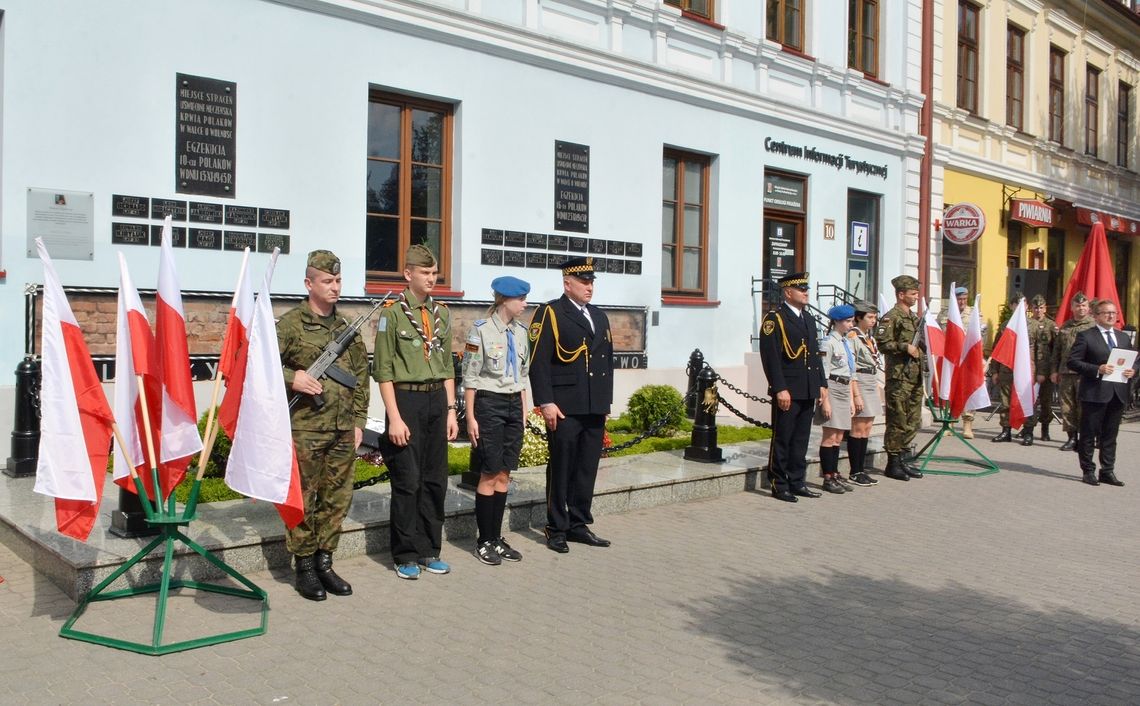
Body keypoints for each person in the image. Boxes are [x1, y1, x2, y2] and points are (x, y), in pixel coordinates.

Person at [277, 250, 371, 601]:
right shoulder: (291, 324)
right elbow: (256, 363)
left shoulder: (346, 328)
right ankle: (304, 566)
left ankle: (325, 561)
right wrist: (293, 377)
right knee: (305, 499)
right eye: (327, 281)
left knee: (337, 498)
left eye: (338, 281)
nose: (335, 287)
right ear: (309, 283)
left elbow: (361, 375)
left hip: (344, 428)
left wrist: (359, 420)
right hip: (306, 426)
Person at [373, 245, 459, 580]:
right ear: (408, 274)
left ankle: (429, 549)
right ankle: (405, 553)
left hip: (436, 400)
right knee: (407, 481)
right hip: (406, 400)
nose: (431, 278)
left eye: (434, 272)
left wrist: (451, 411)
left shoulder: (442, 313)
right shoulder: (392, 314)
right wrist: (393, 417)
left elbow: (448, 365)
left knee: (435, 479)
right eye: (425, 273)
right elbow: (383, 370)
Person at [528, 256, 614, 553]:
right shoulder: (551, 313)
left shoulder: (599, 316)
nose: (589, 287)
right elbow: (538, 362)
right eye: (584, 282)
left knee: (586, 468)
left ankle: (579, 523)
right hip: (565, 405)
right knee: (562, 466)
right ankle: (556, 526)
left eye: (592, 282)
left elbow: (607, 362)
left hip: (593, 405)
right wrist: (545, 402)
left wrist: (605, 401)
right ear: (568, 283)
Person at [463, 276, 531, 566]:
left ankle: (496, 537)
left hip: (514, 403)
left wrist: (525, 410)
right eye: (521, 299)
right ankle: (484, 540)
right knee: (489, 473)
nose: (525, 304)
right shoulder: (480, 331)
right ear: (505, 300)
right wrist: (471, 416)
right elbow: (470, 376)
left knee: (504, 472)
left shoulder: (521, 332)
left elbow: (523, 374)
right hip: (489, 404)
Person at [758, 272, 827, 502]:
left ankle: (797, 481)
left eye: (806, 289)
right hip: (788, 388)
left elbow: (814, 353)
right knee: (783, 438)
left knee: (801, 439)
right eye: (801, 289)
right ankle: (779, 483)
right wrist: (779, 388)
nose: (806, 293)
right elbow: (771, 358)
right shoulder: (774, 319)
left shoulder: (808, 318)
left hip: (807, 387)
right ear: (788, 292)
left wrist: (821, 383)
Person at [1067, 299, 1138, 486]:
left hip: (1118, 392)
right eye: (1106, 313)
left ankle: (1107, 471)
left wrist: (1133, 370)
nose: (1111, 316)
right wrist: (1097, 369)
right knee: (1089, 434)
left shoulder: (1122, 337)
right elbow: (1073, 362)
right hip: (1095, 392)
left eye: (1114, 313)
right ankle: (1088, 470)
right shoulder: (1086, 336)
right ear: (1096, 316)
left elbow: (1134, 359)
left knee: (1110, 435)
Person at [875, 274, 924, 481]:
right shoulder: (891, 316)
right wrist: (905, 347)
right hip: (899, 377)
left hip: (915, 376)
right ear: (901, 294)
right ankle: (893, 463)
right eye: (913, 293)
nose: (916, 296)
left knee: (913, 420)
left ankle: (904, 459)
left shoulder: (913, 317)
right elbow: (882, 343)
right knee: (897, 420)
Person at [814, 304, 863, 494]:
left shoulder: (846, 342)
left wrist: (852, 398)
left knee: (840, 435)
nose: (851, 325)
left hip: (844, 388)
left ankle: (834, 472)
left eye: (851, 321)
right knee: (830, 436)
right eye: (848, 321)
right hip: (832, 388)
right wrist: (824, 399)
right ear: (836, 321)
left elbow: (850, 372)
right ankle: (827, 476)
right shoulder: (828, 343)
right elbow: (823, 373)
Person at [1052, 293, 1095, 451]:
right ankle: (1072, 438)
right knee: (1067, 407)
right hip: (1066, 372)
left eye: (1084, 305)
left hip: (1085, 373)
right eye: (1077, 306)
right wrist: (1054, 370)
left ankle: (1087, 438)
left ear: (1088, 308)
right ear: (1072, 308)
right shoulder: (1066, 326)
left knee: (1084, 407)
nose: (1081, 308)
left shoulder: (1093, 326)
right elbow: (1057, 350)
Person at [939, 286, 982, 438]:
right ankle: (948, 422)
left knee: (967, 390)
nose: (962, 302)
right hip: (951, 358)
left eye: (964, 299)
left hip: (968, 359)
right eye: (959, 299)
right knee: (949, 388)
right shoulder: (944, 314)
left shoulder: (975, 313)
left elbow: (979, 337)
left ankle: (967, 425)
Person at [848, 300, 882, 486]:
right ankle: (855, 471)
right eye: (870, 317)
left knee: (867, 427)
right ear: (858, 317)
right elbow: (851, 365)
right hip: (860, 381)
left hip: (870, 380)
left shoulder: (870, 337)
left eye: (875, 317)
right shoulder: (853, 336)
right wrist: (855, 394)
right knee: (858, 427)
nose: (873, 321)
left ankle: (861, 469)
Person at [988, 294, 1027, 443]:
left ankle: (1027, 431)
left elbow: (1041, 352)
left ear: (1027, 306)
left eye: (1022, 304)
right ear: (1011, 306)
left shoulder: (1032, 326)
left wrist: (1041, 372)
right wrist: (995, 371)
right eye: (1016, 304)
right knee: (1005, 403)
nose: (1019, 307)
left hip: (1025, 373)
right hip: (1006, 370)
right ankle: (1006, 431)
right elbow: (997, 350)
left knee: (1025, 402)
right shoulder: (1006, 326)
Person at [1021, 294, 1057, 444]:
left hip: (1047, 369)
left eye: (1041, 308)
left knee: (1046, 402)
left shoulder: (1051, 325)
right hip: (1029, 369)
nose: (1038, 311)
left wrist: (1049, 371)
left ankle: (1045, 429)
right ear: (1031, 308)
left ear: (1045, 308)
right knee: (1030, 401)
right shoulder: (1026, 324)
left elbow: (1055, 350)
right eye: (1036, 308)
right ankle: (1028, 430)